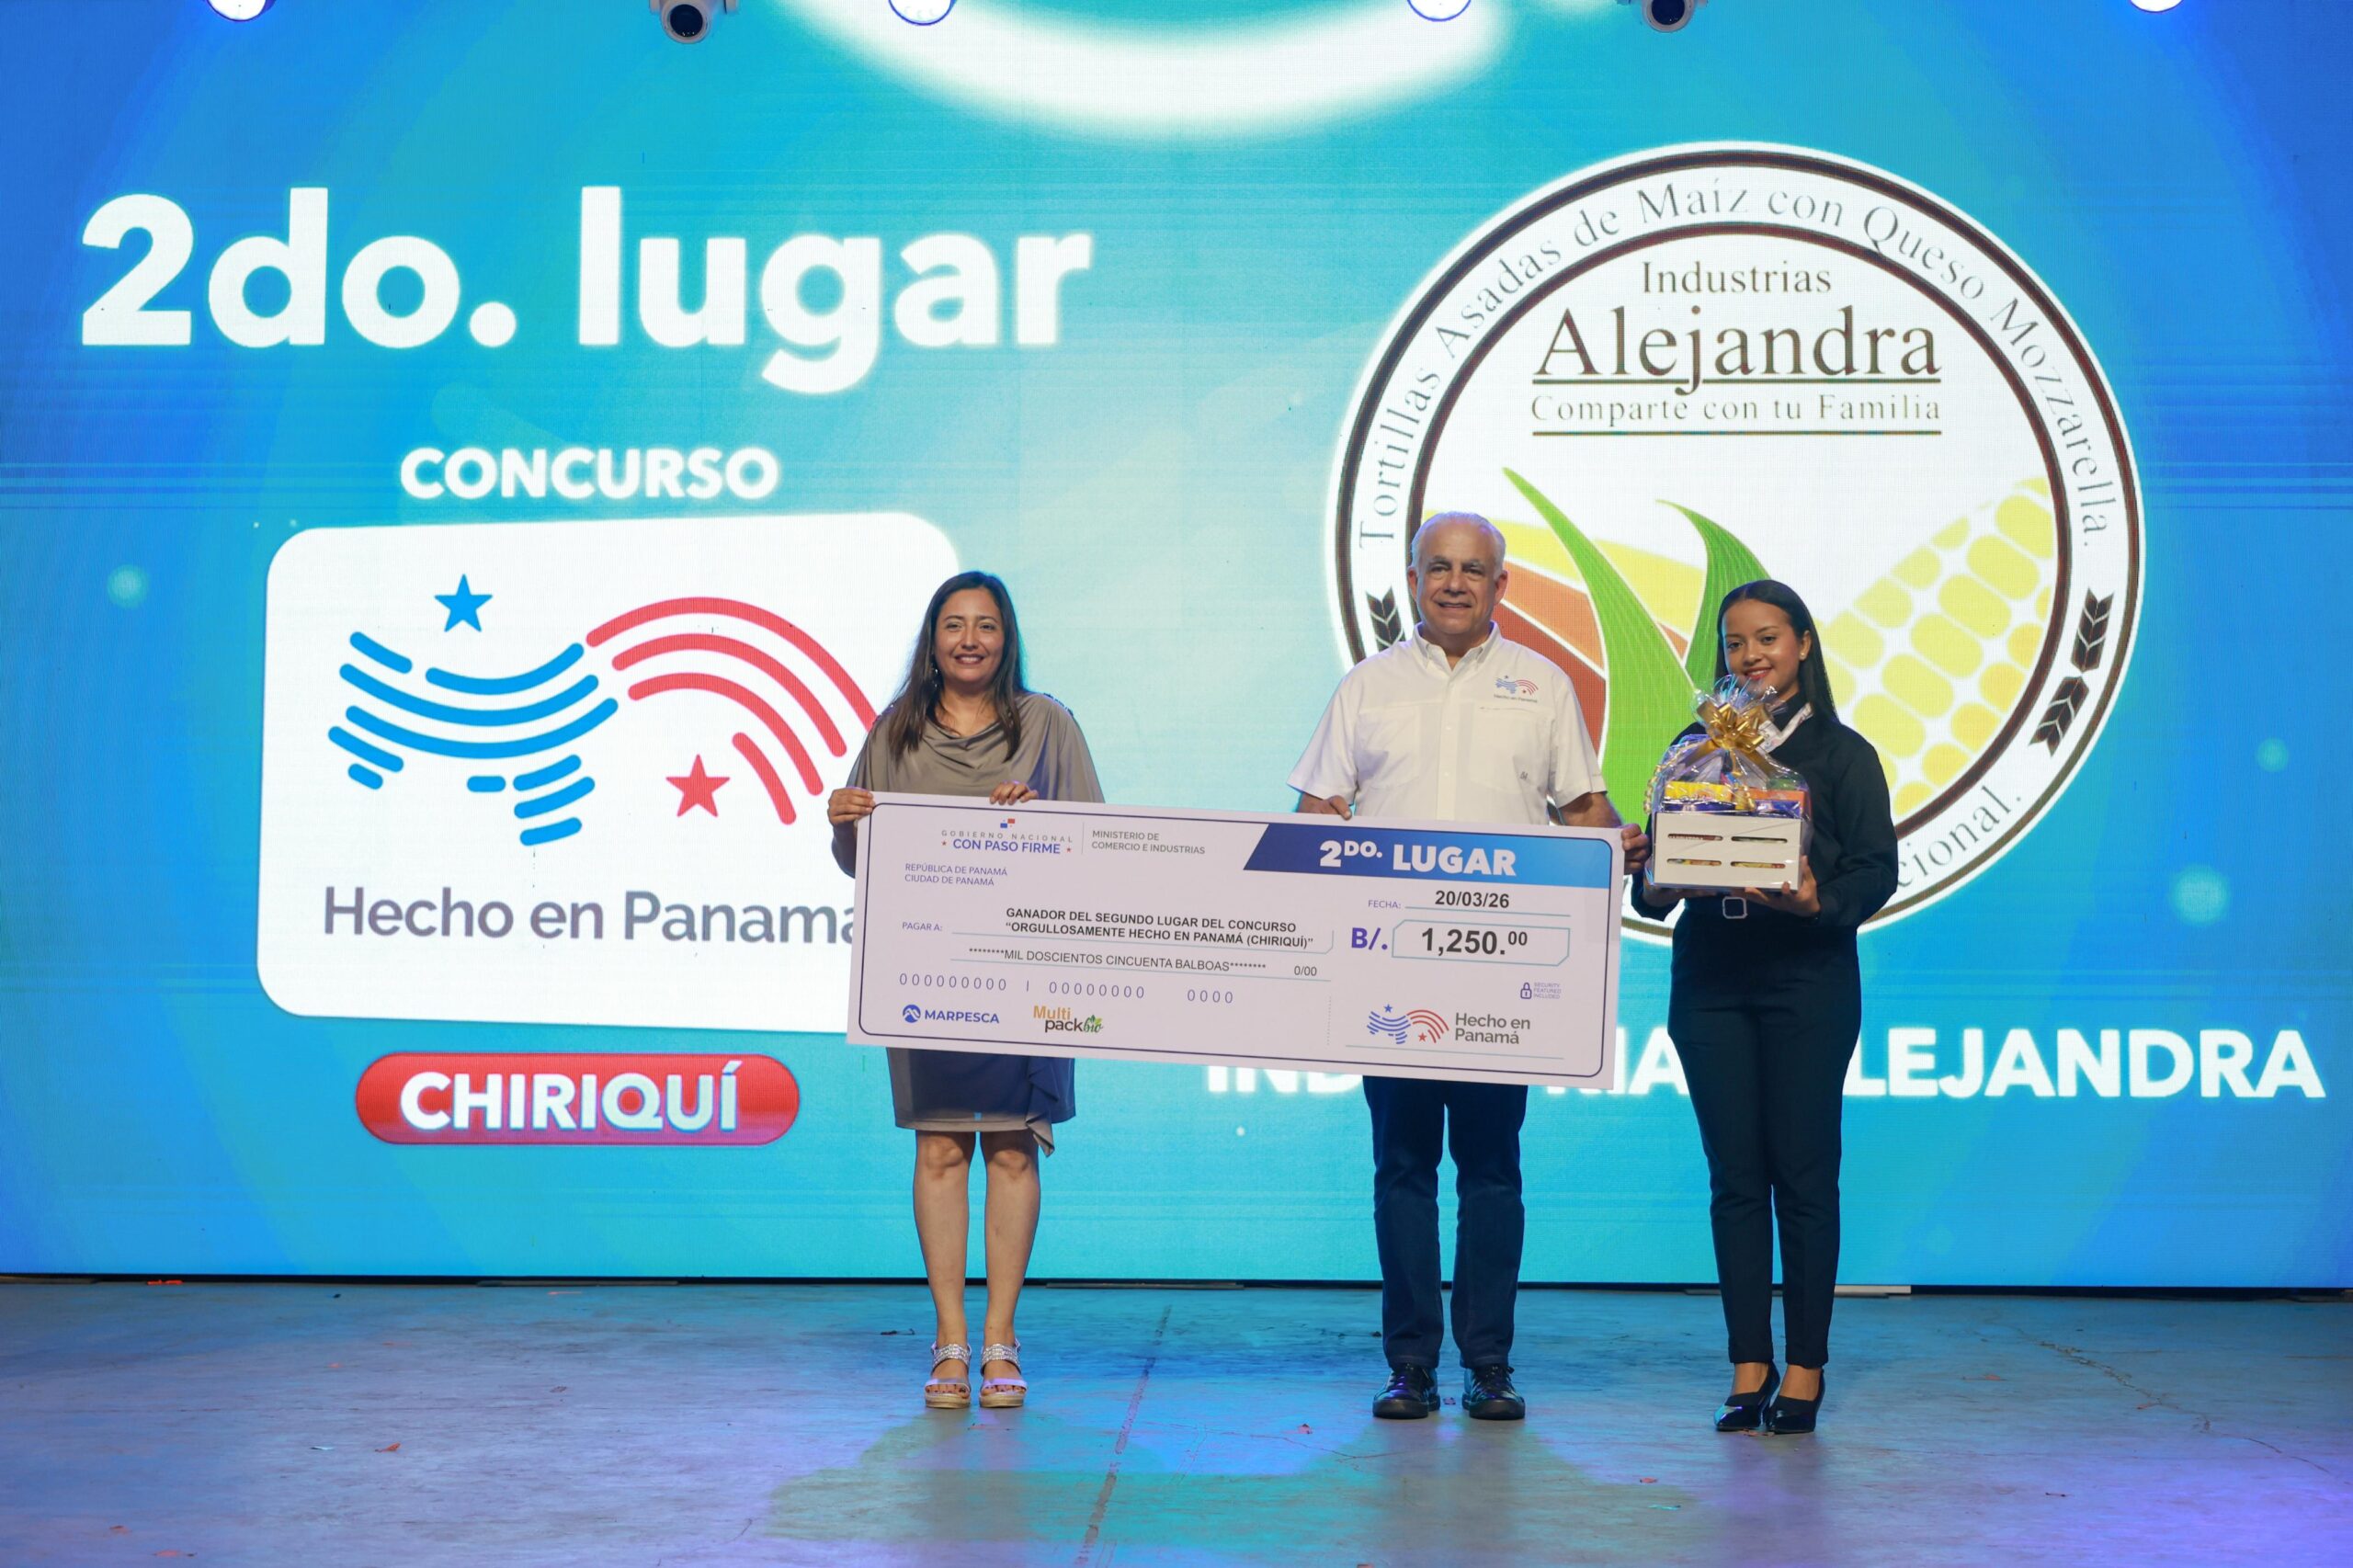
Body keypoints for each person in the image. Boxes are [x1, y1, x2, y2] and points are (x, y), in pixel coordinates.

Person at [1288, 513, 1647, 1422]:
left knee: (1491, 1171)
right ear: (1413, 580)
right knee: (1403, 1168)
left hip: (1500, 977)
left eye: (1473, 570)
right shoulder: (1366, 687)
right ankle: (1410, 1364)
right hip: (1389, 973)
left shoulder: (1543, 683)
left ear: (1500, 585)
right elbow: (1315, 813)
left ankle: (1489, 1363)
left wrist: (1632, 844)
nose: (1454, 583)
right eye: (1438, 567)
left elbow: (1584, 810)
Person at [828, 570, 1103, 1413]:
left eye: (986, 625)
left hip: (1027, 969)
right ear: (933, 638)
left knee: (1013, 1148)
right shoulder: (896, 727)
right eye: (954, 624)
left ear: (1006, 637)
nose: (970, 639)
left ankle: (1001, 1339)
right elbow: (860, 862)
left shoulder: (1047, 724)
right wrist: (844, 822)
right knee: (941, 1148)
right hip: (925, 971)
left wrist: (1039, 821)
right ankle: (950, 1338)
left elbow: (1099, 842)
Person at [1629, 579, 1897, 1436]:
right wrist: (1652, 870)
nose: (1751, 656)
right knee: (1735, 1179)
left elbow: (1877, 871)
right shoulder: (1691, 751)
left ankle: (1807, 1365)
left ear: (1804, 644)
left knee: (1804, 1176)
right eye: (1736, 642)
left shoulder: (1841, 753)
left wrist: (1818, 900)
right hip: (1711, 979)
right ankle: (1750, 1364)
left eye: (1768, 638)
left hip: (1806, 980)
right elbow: (1651, 888)